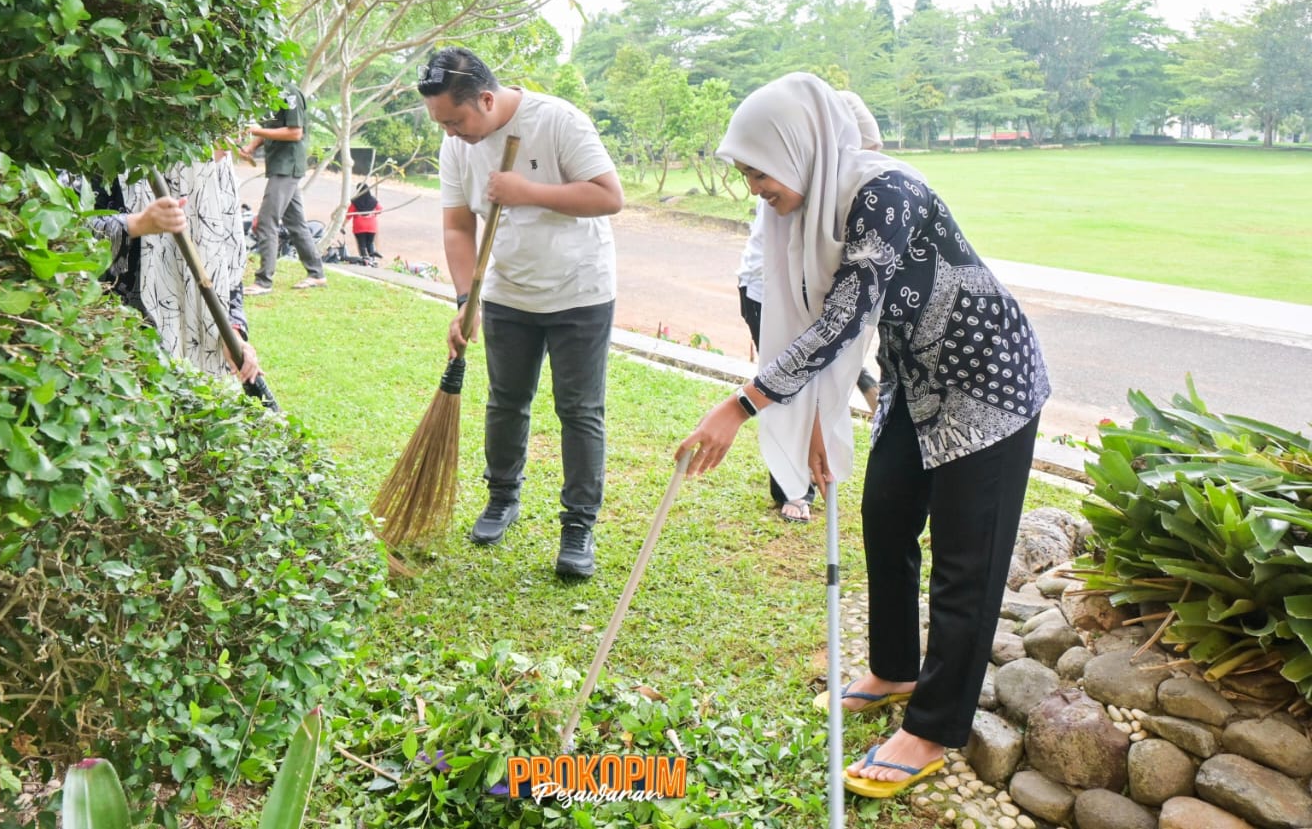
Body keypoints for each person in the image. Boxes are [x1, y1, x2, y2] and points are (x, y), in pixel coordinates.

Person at [677, 73, 1049, 798]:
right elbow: (818, 318)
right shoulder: (810, 209)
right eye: (744, 171)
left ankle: (934, 726)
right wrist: (817, 418)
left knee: (966, 560)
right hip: (917, 380)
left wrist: (741, 404)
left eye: (759, 169)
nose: (753, 186)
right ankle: (893, 667)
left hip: (990, 381)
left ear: (800, 147)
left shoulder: (886, 191)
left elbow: (847, 314)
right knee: (884, 514)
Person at [419, 46, 624, 580]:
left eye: (456, 121)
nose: (450, 133)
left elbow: (609, 196)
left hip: (580, 290)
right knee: (506, 401)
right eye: (439, 123)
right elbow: (457, 227)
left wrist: (526, 192)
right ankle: (502, 497)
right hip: (507, 293)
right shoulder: (457, 147)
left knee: (579, 410)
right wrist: (466, 300)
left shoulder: (557, 120)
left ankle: (579, 524)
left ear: (486, 99)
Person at [734, 86, 882, 522]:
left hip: (824, 307)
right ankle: (791, 488)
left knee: (817, 374)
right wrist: (740, 407)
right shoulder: (791, 194)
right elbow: (819, 332)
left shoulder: (865, 193)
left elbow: (844, 316)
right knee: (789, 384)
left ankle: (816, 459)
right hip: (767, 292)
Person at [77, 155, 263, 386]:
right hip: (122, 346)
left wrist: (233, 331)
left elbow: (227, 267)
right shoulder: (117, 156)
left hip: (199, 361)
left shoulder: (221, 169)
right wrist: (136, 225)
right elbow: (67, 232)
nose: (229, 145)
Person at [241, 84, 327, 295]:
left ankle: (263, 281)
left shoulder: (290, 92)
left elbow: (295, 132)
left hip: (287, 167)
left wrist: (253, 129)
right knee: (295, 223)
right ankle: (316, 274)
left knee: (266, 221)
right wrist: (252, 146)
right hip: (278, 165)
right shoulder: (268, 90)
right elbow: (271, 127)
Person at [345, 182, 384, 263]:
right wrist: (373, 212)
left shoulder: (354, 201)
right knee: (370, 243)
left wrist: (342, 225)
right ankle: (372, 259)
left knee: (362, 244)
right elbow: (380, 209)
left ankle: (365, 260)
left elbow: (349, 215)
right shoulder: (373, 200)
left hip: (359, 226)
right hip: (371, 225)